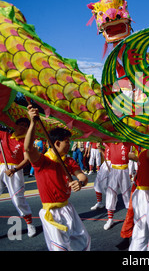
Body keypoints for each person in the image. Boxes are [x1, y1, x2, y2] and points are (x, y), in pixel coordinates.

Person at [25, 105, 91, 250]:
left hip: (68, 208)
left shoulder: (68, 161)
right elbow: (28, 149)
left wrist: (80, 182)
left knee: (82, 241)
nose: (69, 144)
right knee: (60, 248)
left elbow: (83, 177)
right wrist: (33, 123)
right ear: (57, 143)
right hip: (51, 213)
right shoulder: (42, 161)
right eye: (67, 141)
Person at [0, 116, 36, 247]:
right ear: (15, 125)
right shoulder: (5, 135)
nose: (23, 127)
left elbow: (27, 160)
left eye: (25, 125)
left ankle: (30, 224)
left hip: (15, 171)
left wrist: (14, 170)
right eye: (20, 124)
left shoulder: (26, 141)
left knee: (18, 200)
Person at [129, 148, 149, 251]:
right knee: (142, 227)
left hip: (147, 192)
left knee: (146, 225)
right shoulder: (145, 153)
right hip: (142, 194)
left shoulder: (148, 156)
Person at [104, 141, 133, 230]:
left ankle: (130, 219)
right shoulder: (110, 142)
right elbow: (102, 138)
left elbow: (131, 158)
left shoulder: (128, 142)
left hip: (124, 170)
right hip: (114, 170)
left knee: (127, 195)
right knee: (110, 194)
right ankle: (110, 219)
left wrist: (131, 172)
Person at [90, 143, 110, 210]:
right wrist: (100, 149)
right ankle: (99, 202)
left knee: (108, 184)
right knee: (97, 182)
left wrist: (100, 149)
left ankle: (112, 200)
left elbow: (109, 156)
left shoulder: (114, 142)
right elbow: (105, 155)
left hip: (112, 165)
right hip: (105, 164)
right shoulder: (105, 142)